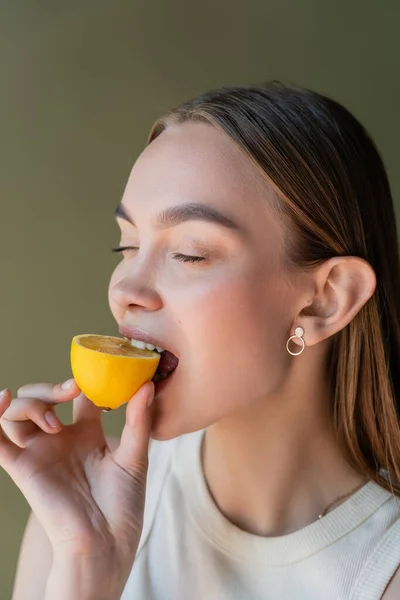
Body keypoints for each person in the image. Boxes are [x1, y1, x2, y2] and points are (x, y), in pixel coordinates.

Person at [1, 81, 400, 600]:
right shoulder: (84, 510)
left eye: (190, 253)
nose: (125, 290)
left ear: (325, 299)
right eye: (128, 245)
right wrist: (85, 564)